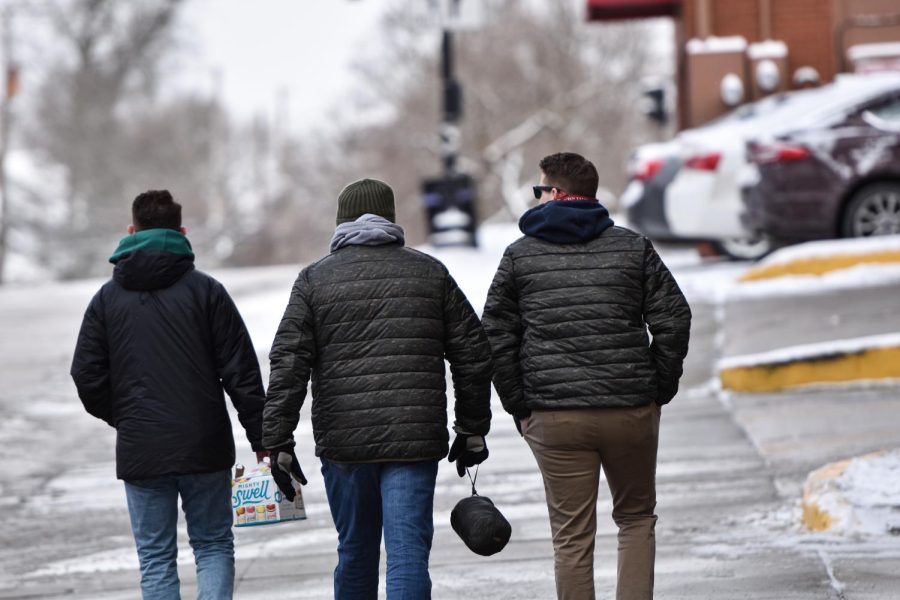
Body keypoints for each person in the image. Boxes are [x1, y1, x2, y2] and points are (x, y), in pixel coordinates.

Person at [262, 178, 493, 600]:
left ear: (340, 223)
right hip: (414, 440)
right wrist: (472, 426)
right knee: (407, 554)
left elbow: (288, 363)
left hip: (345, 444)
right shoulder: (430, 272)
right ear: (390, 219)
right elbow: (474, 354)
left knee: (355, 550)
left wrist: (277, 439)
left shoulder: (314, 280)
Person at [482, 152, 691, 600]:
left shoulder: (520, 257)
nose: (536, 198)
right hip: (629, 411)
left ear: (556, 193)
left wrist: (520, 403)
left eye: (539, 190)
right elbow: (674, 318)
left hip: (555, 418)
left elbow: (495, 335)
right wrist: (656, 389)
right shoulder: (632, 247)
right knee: (636, 519)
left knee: (572, 536)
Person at [71, 190, 267, 600]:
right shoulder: (207, 292)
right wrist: (263, 439)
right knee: (213, 545)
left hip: (142, 447)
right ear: (181, 232)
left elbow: (86, 375)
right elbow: (242, 373)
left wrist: (125, 415)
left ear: (131, 231)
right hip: (204, 444)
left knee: (156, 557)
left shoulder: (106, 301)